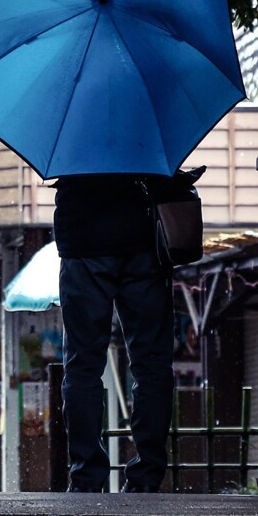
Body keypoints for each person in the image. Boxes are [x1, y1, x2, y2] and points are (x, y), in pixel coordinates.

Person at [53, 173, 174, 494]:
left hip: (83, 236)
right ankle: (147, 476)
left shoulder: (67, 127)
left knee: (82, 366)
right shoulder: (145, 123)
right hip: (143, 238)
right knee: (152, 365)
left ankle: (86, 477)